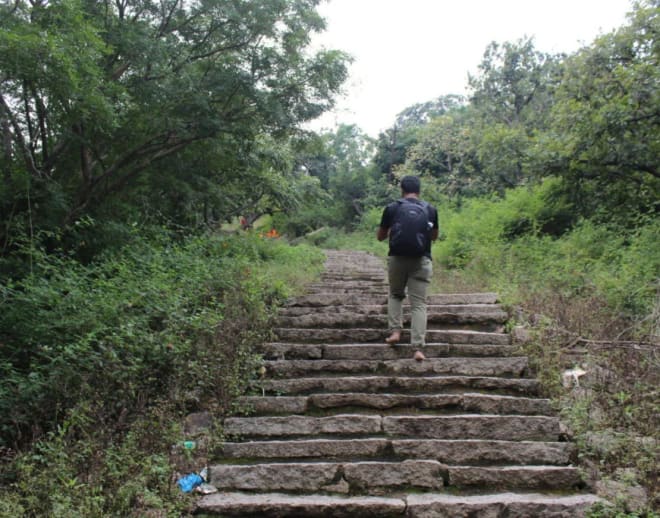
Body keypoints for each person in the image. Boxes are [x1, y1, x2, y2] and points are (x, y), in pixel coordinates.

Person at [377, 175, 438, 361]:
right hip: (421, 260)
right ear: (419, 190)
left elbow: (380, 236)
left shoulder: (392, 208)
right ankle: (418, 348)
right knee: (419, 304)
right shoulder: (430, 209)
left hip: (397, 259)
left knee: (396, 294)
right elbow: (434, 236)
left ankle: (395, 332)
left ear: (401, 189)